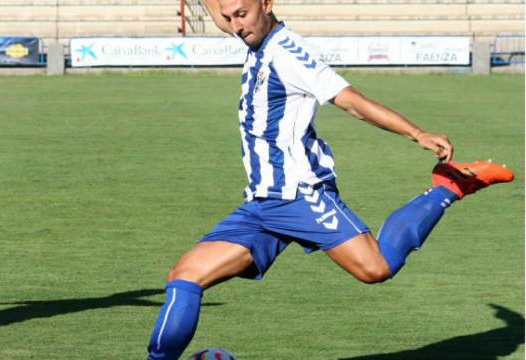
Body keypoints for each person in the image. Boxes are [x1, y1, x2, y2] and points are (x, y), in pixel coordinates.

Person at [146, 0, 515, 358]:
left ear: (267, 4)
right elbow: (221, 13)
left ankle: (448, 186)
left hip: (301, 195)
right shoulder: (251, 31)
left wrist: (417, 133)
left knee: (376, 267)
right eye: (230, 17)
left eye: (242, 14)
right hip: (262, 204)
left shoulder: (288, 52)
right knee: (185, 276)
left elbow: (352, 101)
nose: (235, 25)